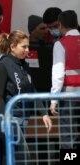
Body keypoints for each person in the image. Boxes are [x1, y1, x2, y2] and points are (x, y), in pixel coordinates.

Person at [0, 30, 52, 164]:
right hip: (10, 121)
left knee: (16, 159)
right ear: (12, 47)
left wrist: (44, 114)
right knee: (23, 158)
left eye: (28, 46)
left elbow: (32, 91)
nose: (27, 50)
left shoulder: (24, 66)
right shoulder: (2, 66)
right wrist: (4, 119)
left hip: (23, 120)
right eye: (24, 47)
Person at [50, 10, 80, 149]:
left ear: (60, 25)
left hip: (69, 95)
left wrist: (54, 99)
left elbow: (58, 74)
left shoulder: (60, 44)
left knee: (68, 136)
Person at [26, 15, 53, 92]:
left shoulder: (50, 47)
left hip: (48, 92)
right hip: (30, 92)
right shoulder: (23, 48)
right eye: (42, 28)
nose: (46, 31)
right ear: (32, 31)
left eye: (46, 28)